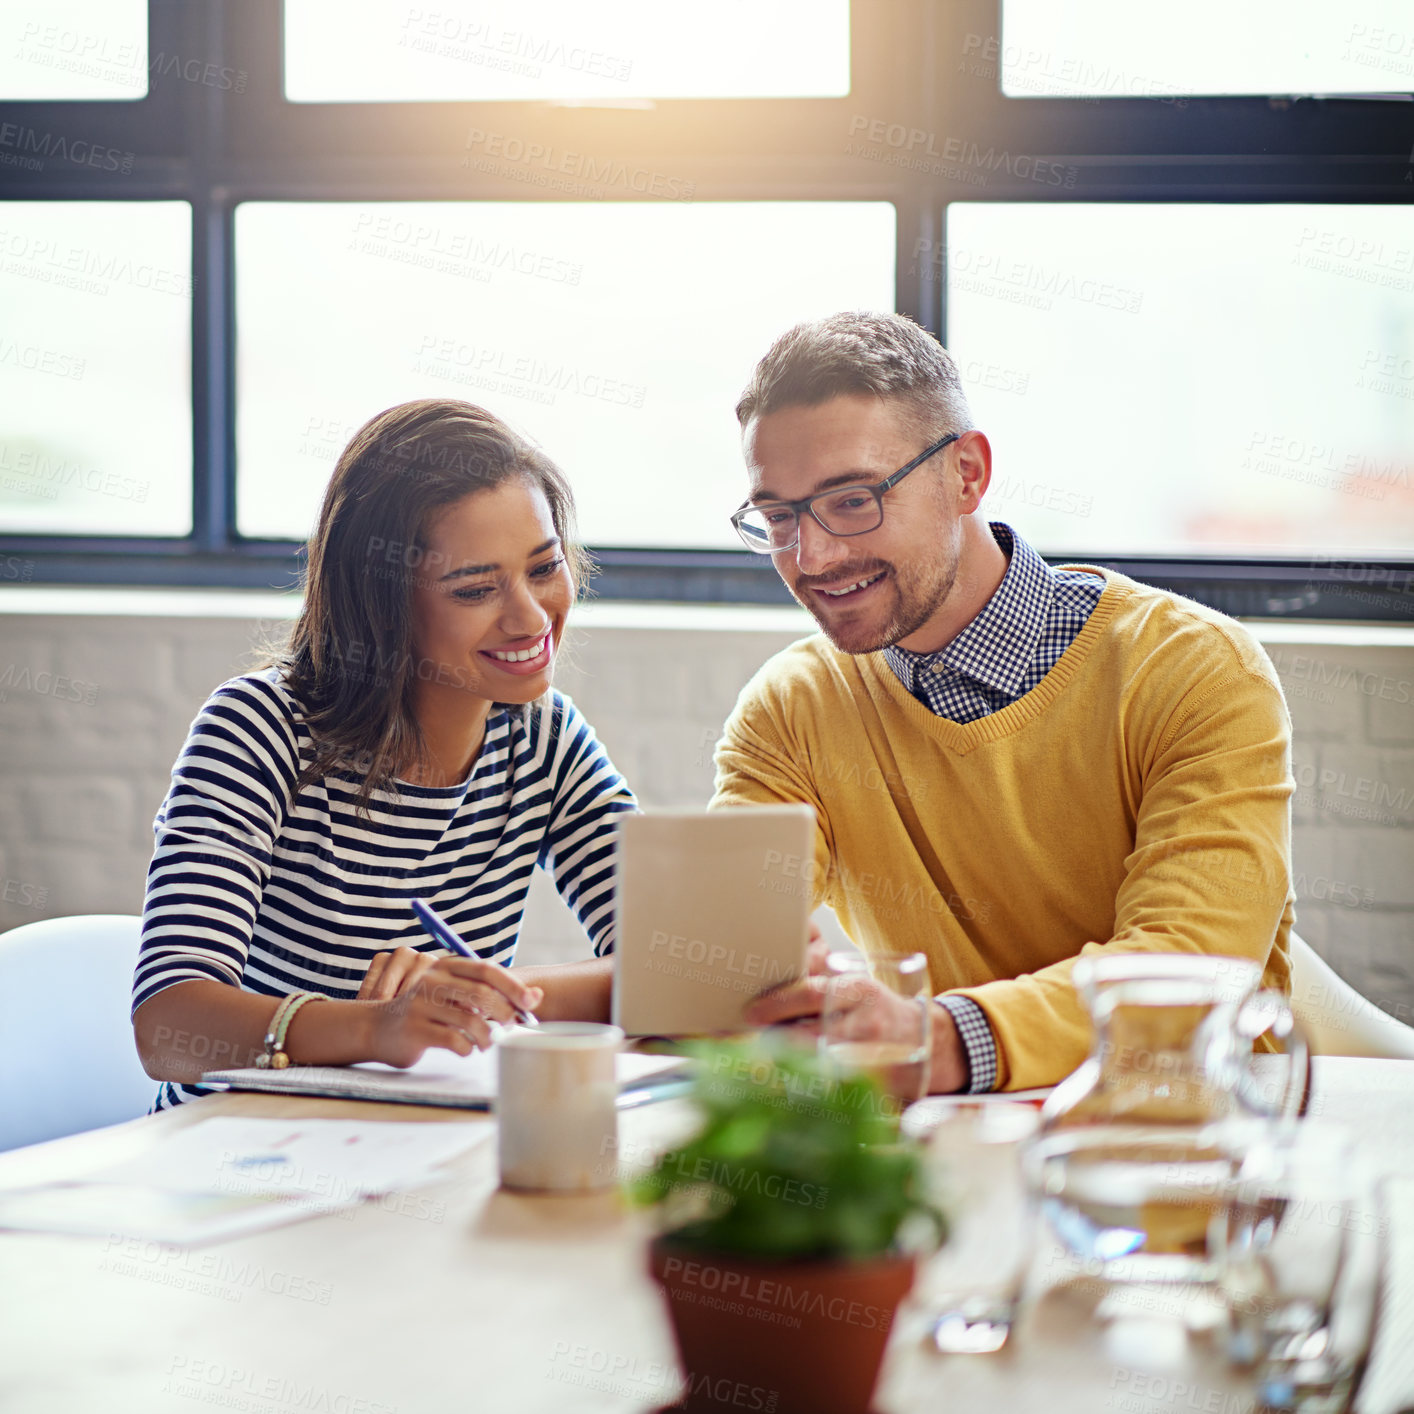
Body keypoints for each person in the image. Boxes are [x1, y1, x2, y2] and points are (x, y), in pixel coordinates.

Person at [711, 311, 1295, 1093]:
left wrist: (937, 1039)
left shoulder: (1192, 670)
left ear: (967, 475)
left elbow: (1189, 964)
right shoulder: (791, 705)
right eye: (779, 517)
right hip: (943, 1150)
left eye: (851, 500)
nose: (811, 557)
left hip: (1184, 1149)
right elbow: (727, 946)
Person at [132, 399, 634, 1109]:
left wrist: (472, 999)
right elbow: (169, 1027)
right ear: (382, 601)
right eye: (476, 589)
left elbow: (680, 973)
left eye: (544, 567)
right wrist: (377, 1028)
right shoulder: (258, 729)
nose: (530, 617)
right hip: (240, 1158)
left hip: (420, 1156)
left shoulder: (543, 736)